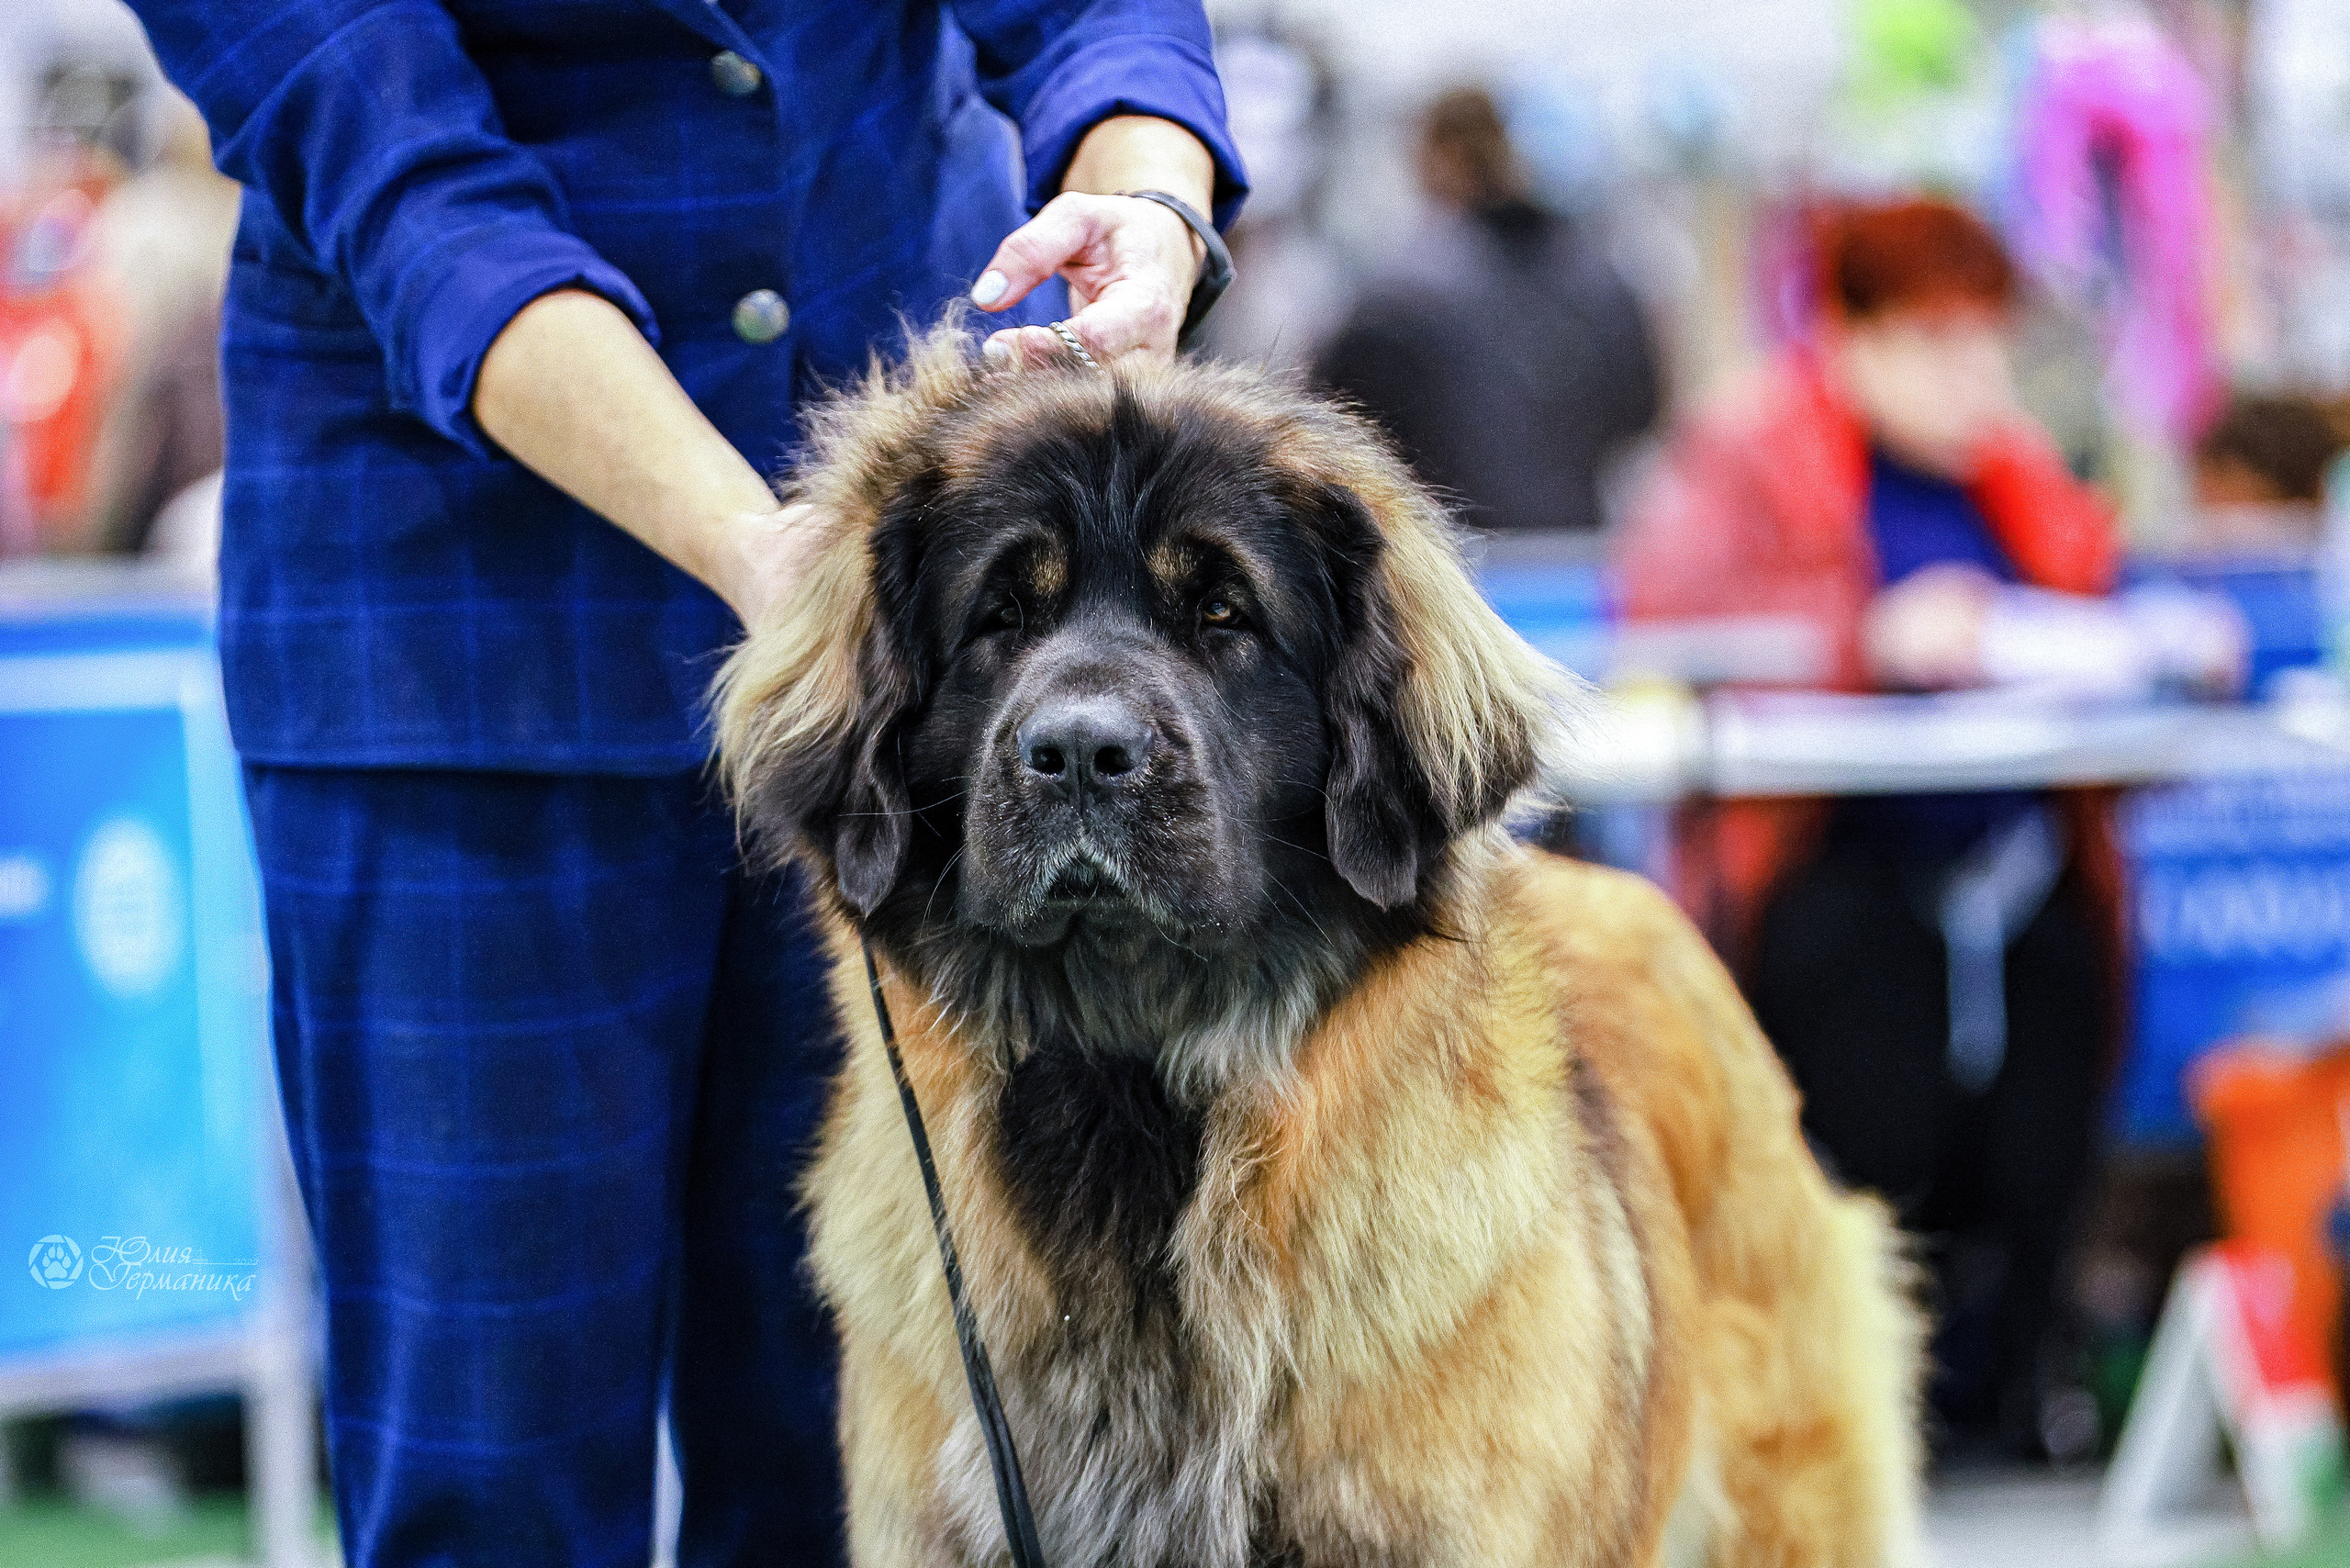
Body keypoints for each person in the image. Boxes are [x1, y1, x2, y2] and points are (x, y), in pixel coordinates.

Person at [123, 1, 1244, 1562]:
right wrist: (760, 549)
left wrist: (1155, 199)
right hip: (466, 656)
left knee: (870, 1462)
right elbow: (407, 184)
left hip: (905, 675)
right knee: (495, 1474)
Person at [1615, 197, 2234, 1462]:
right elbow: (1669, 632)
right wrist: (1867, 640)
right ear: (1851, 336)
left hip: (2024, 886)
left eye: (1988, 342)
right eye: (1939, 342)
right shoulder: (1744, 459)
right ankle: (1849, 1422)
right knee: (1859, 1147)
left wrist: (2163, 649)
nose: (1974, 376)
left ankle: (2018, 1393)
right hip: (1836, 884)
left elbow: (2096, 608)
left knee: (2043, 1126)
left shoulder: (2020, 479)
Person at [1315, 85, 1660, 535]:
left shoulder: (1402, 293)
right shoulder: (1600, 276)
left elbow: (1334, 424)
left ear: (1438, 158)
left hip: (1456, 556)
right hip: (1576, 548)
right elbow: (1642, 412)